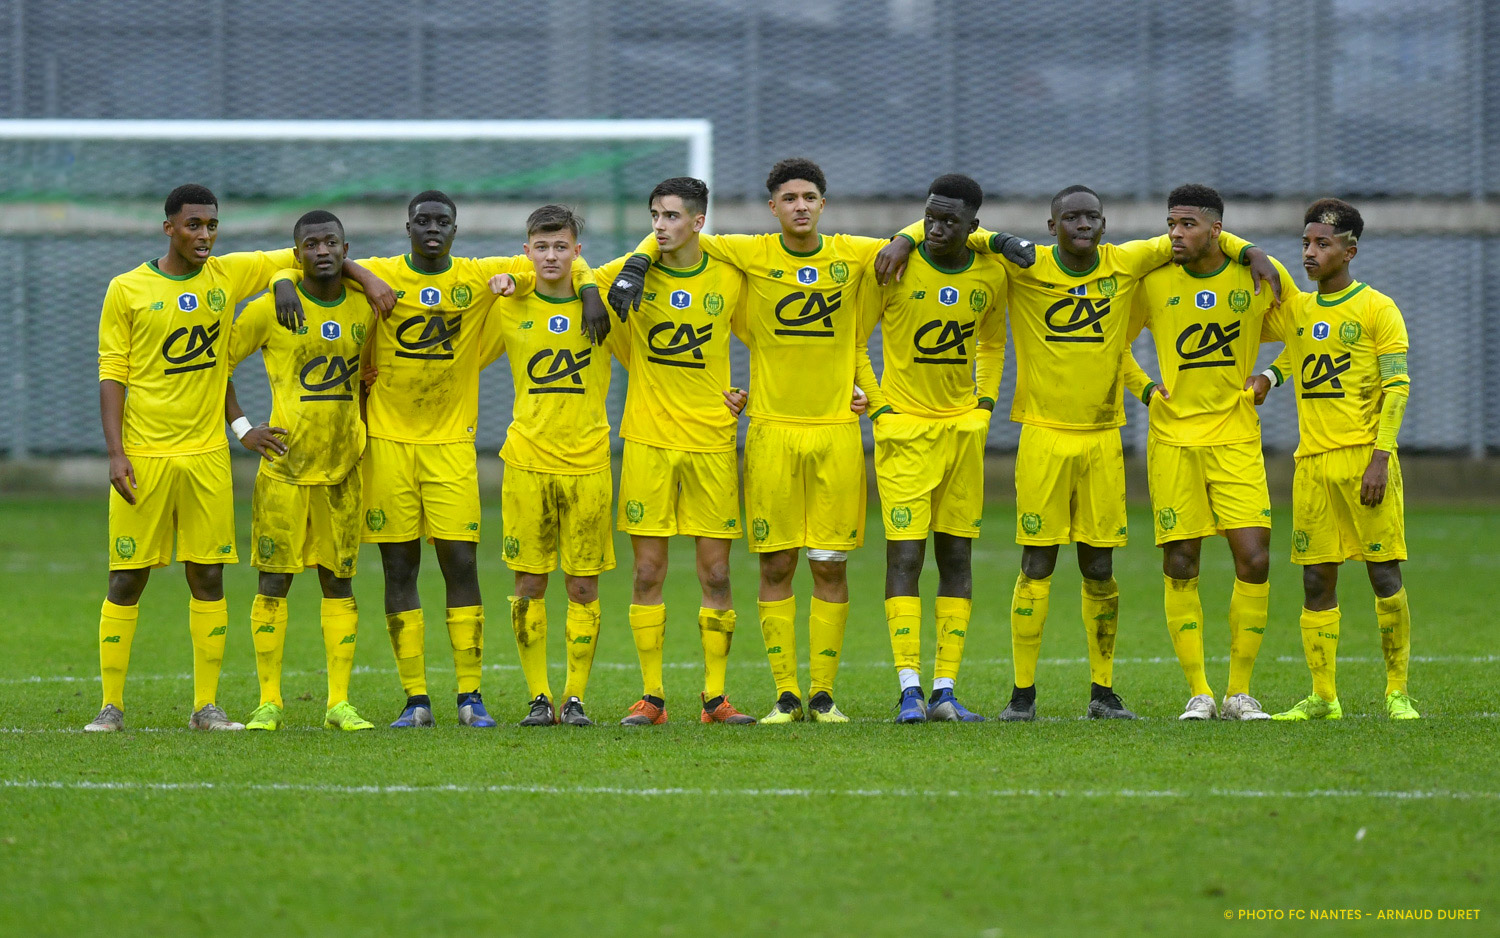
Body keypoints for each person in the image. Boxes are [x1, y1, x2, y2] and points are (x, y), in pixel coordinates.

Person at [608, 158, 1029, 723]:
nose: (800, 206)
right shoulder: (747, 252)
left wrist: (920, 242)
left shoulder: (855, 253)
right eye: (789, 198)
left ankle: (824, 695)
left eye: (809, 197)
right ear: (773, 208)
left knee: (830, 565)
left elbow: (926, 226)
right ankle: (785, 695)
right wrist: (636, 262)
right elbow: (676, 229)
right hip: (771, 433)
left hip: (836, 434)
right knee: (776, 565)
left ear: (822, 204)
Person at [879, 186, 1276, 720]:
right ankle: (1022, 696)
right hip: (1042, 435)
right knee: (1037, 562)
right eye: (1071, 217)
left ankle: (1103, 692)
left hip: (1102, 437)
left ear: (1105, 224)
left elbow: (1201, 238)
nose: (1082, 224)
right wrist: (907, 242)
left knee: (1100, 565)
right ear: (1052, 225)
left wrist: (1252, 252)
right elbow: (951, 227)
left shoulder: (1128, 262)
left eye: (1091, 216)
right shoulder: (1024, 264)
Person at [272, 191, 604, 728]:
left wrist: (589, 294)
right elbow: (301, 257)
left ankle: (470, 697)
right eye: (422, 220)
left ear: (455, 229)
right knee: (399, 567)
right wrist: (359, 276)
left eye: (442, 221)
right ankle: (416, 699)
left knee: (461, 565)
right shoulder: (377, 271)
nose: (432, 227)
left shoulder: (477, 274)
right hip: (388, 443)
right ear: (407, 226)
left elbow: (564, 257)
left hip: (452, 446)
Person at [87, 183, 382, 732]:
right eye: (193, 225)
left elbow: (309, 256)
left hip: (206, 457)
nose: (204, 236)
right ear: (168, 227)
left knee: (208, 576)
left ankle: (207, 707)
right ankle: (110, 705)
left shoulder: (229, 274)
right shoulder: (126, 289)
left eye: (211, 226)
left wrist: (325, 278)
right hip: (145, 455)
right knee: (126, 578)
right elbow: (112, 373)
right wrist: (116, 452)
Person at [1122, 184, 1298, 721]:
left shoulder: (1257, 275)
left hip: (1236, 438)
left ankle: (1239, 692)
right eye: (1171, 223)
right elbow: (1114, 343)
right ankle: (1199, 691)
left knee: (1254, 558)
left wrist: (1272, 374)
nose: (1176, 233)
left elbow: (1306, 328)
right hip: (1173, 442)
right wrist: (1147, 391)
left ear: (1216, 230)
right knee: (1181, 561)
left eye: (1188, 224)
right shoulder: (1152, 281)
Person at [590, 178, 756, 726]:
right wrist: (639, 259)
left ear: (699, 222)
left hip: (710, 440)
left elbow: (772, 339)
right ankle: (653, 698)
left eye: (671, 216)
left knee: (716, 576)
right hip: (647, 440)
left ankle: (715, 699)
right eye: (654, 215)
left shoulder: (729, 274)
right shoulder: (627, 272)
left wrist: (751, 392)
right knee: (646, 573)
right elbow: (579, 279)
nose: (660, 226)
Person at [1250, 198, 1418, 721]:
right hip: (1313, 466)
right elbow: (1295, 354)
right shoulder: (1299, 308)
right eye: (1305, 242)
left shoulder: (1377, 308)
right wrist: (1269, 379)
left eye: (1322, 243)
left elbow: (1397, 388)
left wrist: (1379, 457)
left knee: (1383, 573)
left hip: (1364, 460)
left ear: (1350, 251)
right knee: (1316, 579)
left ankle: (1397, 692)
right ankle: (1324, 697)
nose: (1309, 252)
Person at [856, 174, 1007, 723]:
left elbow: (992, 343)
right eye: (929, 217)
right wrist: (880, 410)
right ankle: (909, 687)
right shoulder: (894, 264)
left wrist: (984, 406)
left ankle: (945, 690)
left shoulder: (990, 272)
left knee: (957, 558)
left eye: (949, 221)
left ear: (974, 227)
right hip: (904, 435)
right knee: (905, 556)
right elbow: (855, 341)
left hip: (962, 435)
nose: (936, 229)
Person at [225, 210, 377, 731]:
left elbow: (370, 375)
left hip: (342, 472)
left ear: (344, 247)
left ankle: (339, 704)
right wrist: (244, 429)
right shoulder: (270, 307)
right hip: (284, 472)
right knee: (274, 583)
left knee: (339, 583)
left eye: (330, 242)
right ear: (297, 253)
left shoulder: (364, 307)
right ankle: (270, 701)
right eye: (310, 244)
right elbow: (216, 362)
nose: (321, 251)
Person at [480, 205, 615, 727]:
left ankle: (575, 697)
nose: (551, 255)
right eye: (542, 246)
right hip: (527, 464)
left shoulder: (601, 303)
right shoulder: (507, 305)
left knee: (583, 586)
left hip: (588, 465)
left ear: (577, 252)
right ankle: (539, 697)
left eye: (562, 247)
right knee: (529, 583)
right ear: (526, 251)